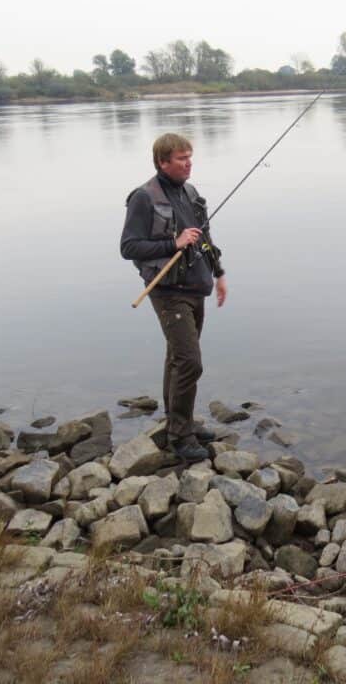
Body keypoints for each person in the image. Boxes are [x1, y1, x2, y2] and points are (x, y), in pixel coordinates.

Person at [120, 133, 228, 463]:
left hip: (196, 287)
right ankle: (181, 436)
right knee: (190, 362)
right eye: (181, 158)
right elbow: (129, 247)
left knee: (177, 358)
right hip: (167, 292)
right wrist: (173, 243)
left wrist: (219, 272)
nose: (188, 163)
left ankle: (177, 422)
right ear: (162, 162)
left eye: (190, 157)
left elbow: (204, 237)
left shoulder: (190, 193)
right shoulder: (144, 197)